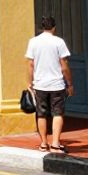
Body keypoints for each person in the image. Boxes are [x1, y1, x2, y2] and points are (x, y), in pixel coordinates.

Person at [26, 16, 73, 153]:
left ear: (41, 27)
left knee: (41, 114)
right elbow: (64, 65)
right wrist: (69, 83)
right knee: (57, 113)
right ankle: (55, 144)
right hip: (56, 84)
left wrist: (30, 82)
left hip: (40, 84)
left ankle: (43, 144)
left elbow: (30, 64)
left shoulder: (33, 42)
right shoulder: (59, 42)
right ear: (54, 28)